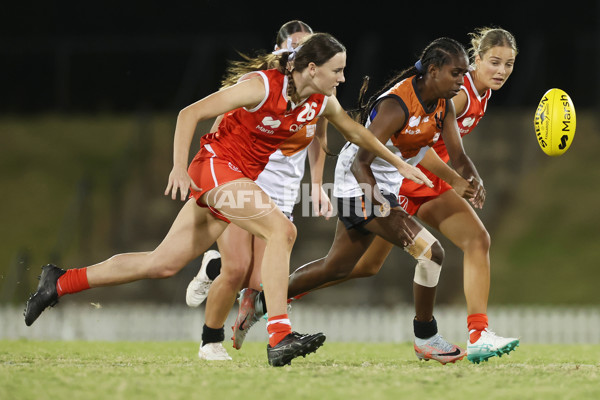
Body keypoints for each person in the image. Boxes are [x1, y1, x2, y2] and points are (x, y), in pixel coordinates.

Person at [23, 32, 434, 367]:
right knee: (282, 230)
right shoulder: (260, 86)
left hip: (233, 179)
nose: (343, 79)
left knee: (161, 263)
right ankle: (279, 334)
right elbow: (189, 113)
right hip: (216, 168)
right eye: (337, 71)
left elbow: (357, 133)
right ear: (312, 68)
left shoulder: (319, 101)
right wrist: (179, 168)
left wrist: (397, 162)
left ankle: (59, 282)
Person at [234, 29, 521, 365]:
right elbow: (360, 162)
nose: (463, 78)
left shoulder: (444, 102)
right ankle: (427, 338)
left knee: (342, 266)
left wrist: (470, 178)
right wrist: (380, 203)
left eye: (509, 64)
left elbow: (456, 154)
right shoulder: (397, 105)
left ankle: (261, 301)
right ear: (433, 71)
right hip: (358, 183)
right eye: (457, 72)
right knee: (431, 253)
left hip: (390, 182)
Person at [185, 20, 334, 361]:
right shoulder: (262, 86)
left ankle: (214, 266)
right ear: (282, 52)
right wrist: (209, 170)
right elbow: (220, 125)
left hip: (282, 190)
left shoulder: (322, 89)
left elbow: (320, 138)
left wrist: (316, 185)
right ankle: (211, 340)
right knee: (237, 268)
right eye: (295, 48)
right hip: (246, 177)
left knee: (257, 278)